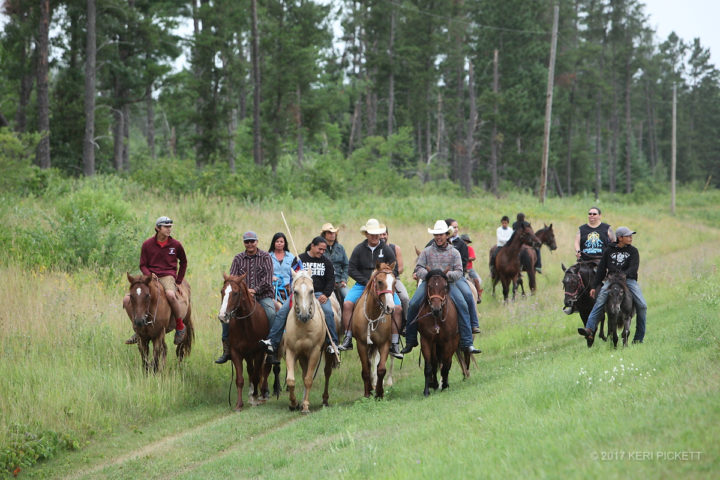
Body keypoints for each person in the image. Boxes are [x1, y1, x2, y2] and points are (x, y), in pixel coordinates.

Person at [401, 220, 482, 355]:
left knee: (462, 303)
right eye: (436, 235)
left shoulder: (454, 252)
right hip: (430, 284)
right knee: (413, 303)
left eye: (441, 235)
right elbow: (418, 268)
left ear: (446, 235)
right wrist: (430, 275)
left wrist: (445, 276)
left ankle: (468, 342)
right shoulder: (426, 252)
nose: (438, 237)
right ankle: (410, 339)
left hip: (449, 284)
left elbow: (459, 271)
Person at [261, 237, 340, 364]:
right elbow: (293, 279)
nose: (322, 252)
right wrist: (295, 290)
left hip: (318, 293)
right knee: (282, 312)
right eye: (320, 249)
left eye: (324, 250)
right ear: (312, 246)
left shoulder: (327, 262)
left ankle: (333, 343)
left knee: (329, 312)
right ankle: (272, 341)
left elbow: (331, 280)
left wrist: (326, 294)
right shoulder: (299, 259)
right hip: (300, 294)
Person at [337, 218, 404, 359]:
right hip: (363, 284)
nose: (375, 236)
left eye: (377, 233)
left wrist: (386, 279)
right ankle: (348, 337)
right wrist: (367, 281)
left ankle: (394, 342)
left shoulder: (386, 249)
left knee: (398, 308)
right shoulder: (359, 249)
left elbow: (395, 268)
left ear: (381, 234)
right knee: (347, 303)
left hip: (383, 286)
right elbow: (351, 269)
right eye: (371, 233)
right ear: (366, 234)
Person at [123, 216, 188, 346]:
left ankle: (180, 326)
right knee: (127, 299)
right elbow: (142, 264)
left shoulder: (176, 245)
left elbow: (184, 262)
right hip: (149, 276)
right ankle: (138, 327)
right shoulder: (147, 244)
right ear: (158, 228)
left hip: (167, 276)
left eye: (170, 226)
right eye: (166, 227)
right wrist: (149, 275)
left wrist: (179, 280)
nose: (169, 229)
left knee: (170, 295)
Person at [578, 226, 648, 346]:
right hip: (611, 280)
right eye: (628, 236)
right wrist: (594, 286)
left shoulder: (633, 251)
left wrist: (624, 275)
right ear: (620, 238)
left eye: (631, 236)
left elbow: (633, 268)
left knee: (642, 305)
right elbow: (601, 270)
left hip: (628, 280)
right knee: (599, 302)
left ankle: (639, 337)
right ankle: (589, 329)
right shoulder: (608, 251)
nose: (631, 238)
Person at [215, 231, 277, 364]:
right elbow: (233, 279)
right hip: (242, 297)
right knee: (226, 315)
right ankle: (227, 348)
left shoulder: (266, 257)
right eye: (247, 241)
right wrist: (243, 291)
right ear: (244, 243)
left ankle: (272, 347)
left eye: (252, 241)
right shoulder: (238, 258)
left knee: (272, 313)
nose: (249, 244)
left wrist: (254, 290)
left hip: (262, 295)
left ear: (257, 242)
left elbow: (267, 279)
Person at [379, 227, 411, 330]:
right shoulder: (375, 249)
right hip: (378, 279)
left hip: (393, 278)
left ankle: (406, 324)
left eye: (385, 234)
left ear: (388, 235)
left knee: (405, 298)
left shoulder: (395, 248)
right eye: (380, 234)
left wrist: (389, 275)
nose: (383, 236)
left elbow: (400, 268)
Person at [320, 223, 349, 304]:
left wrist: (344, 280)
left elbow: (346, 265)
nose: (332, 235)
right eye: (329, 233)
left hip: (339, 281)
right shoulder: (319, 249)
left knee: (349, 298)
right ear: (324, 235)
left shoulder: (340, 248)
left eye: (333, 233)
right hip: (324, 283)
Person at [268, 232, 297, 302]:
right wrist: (270, 278)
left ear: (285, 243)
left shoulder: (291, 257)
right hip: (273, 287)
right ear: (273, 243)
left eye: (281, 241)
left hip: (288, 288)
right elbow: (264, 272)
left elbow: (295, 272)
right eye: (277, 241)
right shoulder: (267, 256)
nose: (279, 243)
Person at [460, 233, 483, 304]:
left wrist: (466, 258)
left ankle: (479, 294)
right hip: (461, 268)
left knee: (476, 280)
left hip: (469, 268)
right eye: (464, 241)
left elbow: (473, 257)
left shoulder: (470, 249)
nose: (465, 242)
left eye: (466, 241)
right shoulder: (459, 249)